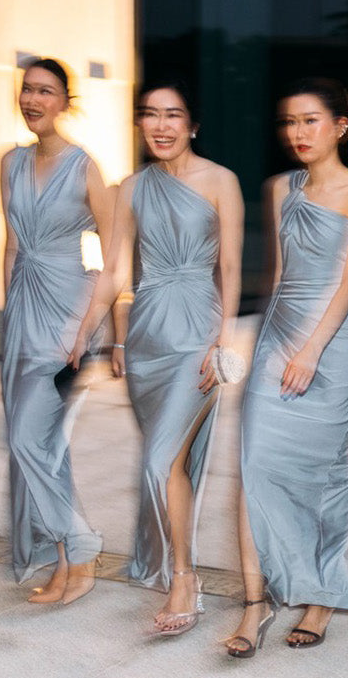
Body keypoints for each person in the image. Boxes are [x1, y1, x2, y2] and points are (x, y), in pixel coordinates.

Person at [71, 79, 242, 635]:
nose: (161, 125)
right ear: (140, 124)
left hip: (197, 335)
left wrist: (223, 342)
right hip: (147, 339)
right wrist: (90, 336)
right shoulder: (128, 189)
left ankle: (184, 578)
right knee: (166, 463)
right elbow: (117, 274)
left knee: (159, 459)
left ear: (192, 124)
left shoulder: (221, 181)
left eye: (173, 114)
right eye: (150, 114)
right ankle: (177, 567)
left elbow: (232, 270)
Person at [222, 78, 348, 657]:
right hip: (277, 337)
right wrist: (265, 344)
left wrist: (310, 350)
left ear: (340, 124)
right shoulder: (279, 187)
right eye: (289, 122)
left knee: (322, 473)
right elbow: (279, 276)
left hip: (332, 347)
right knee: (254, 465)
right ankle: (255, 604)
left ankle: (321, 594)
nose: (298, 133)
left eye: (310, 120)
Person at [0, 58, 113, 605]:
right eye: (27, 89)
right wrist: (5, 320)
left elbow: (115, 255)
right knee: (46, 445)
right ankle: (70, 565)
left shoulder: (83, 166)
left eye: (45, 91)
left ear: (65, 102)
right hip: (23, 313)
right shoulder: (9, 163)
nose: (33, 100)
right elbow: (12, 242)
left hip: (67, 315)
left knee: (30, 438)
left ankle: (81, 550)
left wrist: (89, 327)